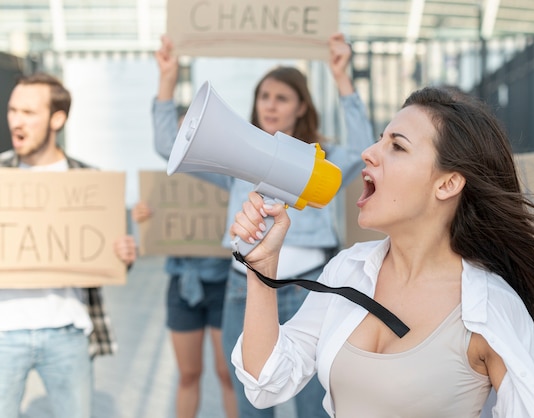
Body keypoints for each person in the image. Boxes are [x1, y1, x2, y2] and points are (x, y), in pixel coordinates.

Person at [228, 86, 534, 417]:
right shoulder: (348, 270)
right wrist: (261, 268)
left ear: (447, 183)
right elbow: (266, 383)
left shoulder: (488, 309)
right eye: (379, 139)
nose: (369, 153)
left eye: (397, 146)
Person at [153, 33, 374, 417]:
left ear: (302, 106)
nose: (270, 105)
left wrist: (342, 77)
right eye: (264, 96)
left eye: (282, 97)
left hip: (309, 288)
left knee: (314, 404)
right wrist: (167, 78)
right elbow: (167, 144)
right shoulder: (236, 158)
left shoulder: (322, 158)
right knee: (251, 402)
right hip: (244, 290)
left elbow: (363, 149)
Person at [0, 72, 137, 418]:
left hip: (68, 332)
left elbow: (109, 258)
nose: (16, 121)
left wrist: (123, 256)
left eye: (28, 113)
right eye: (13, 110)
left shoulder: (90, 181)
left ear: (56, 119)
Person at [131, 35, 237, 418]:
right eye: (181, 136)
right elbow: (151, 219)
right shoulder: (169, 184)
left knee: (228, 373)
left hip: (224, 280)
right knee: (188, 373)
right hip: (183, 281)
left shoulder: (228, 175)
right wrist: (144, 217)